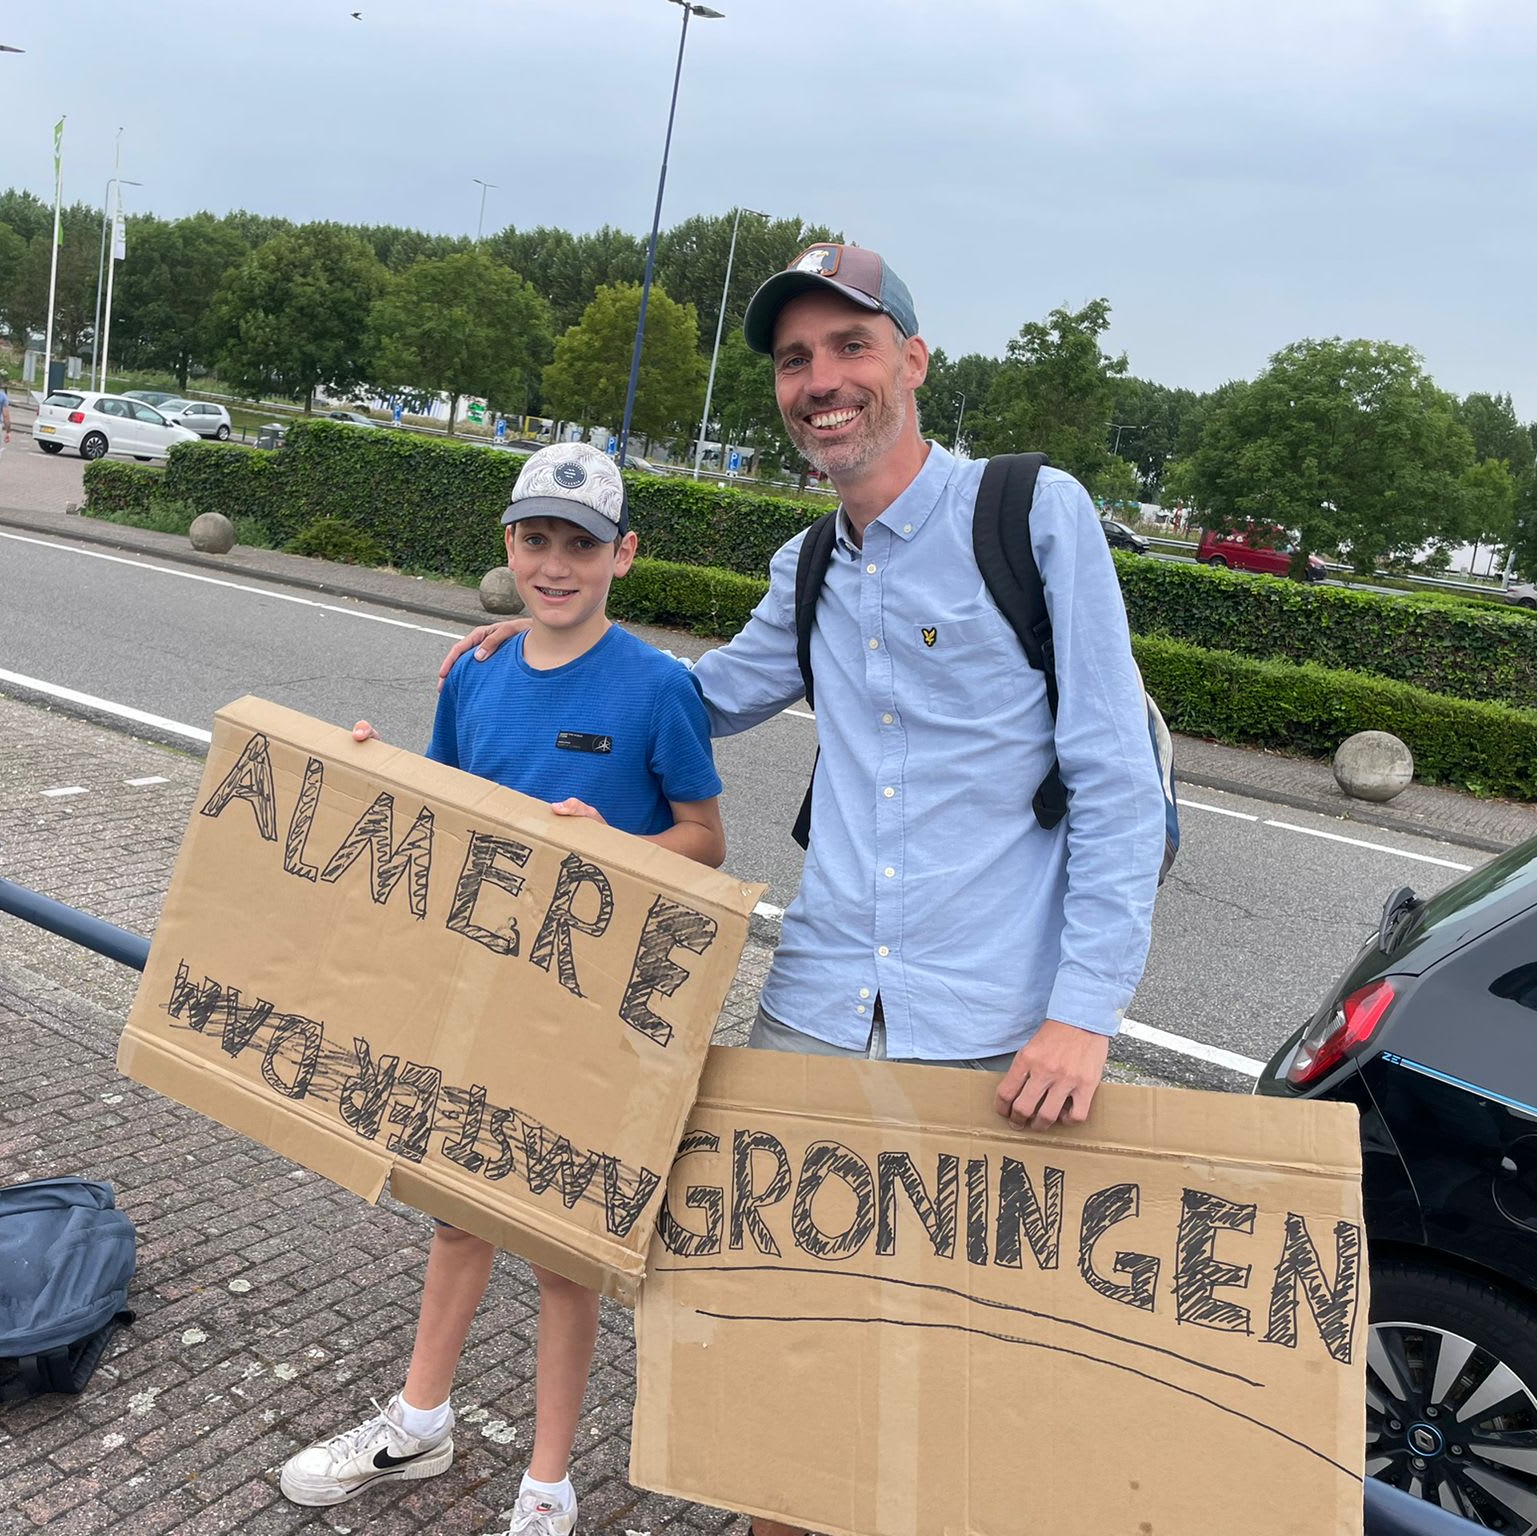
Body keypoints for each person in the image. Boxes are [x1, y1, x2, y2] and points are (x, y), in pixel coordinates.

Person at [448, 248, 1164, 1532]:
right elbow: (697, 702)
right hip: (819, 1001)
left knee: (947, 1349)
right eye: (793, 360)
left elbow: (1116, 780)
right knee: (785, 1327)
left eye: (849, 347)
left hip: (992, 1023)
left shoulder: (1029, 513)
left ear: (911, 363)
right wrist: (554, 647)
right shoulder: (810, 566)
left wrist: (1085, 1010)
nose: (820, 381)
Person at [279, 441, 726, 1536]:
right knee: (455, 1215)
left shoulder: (661, 688)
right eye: (536, 540)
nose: (555, 564)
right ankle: (418, 1421)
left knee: (562, 1250)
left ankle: (548, 1482)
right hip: (477, 988)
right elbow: (442, 808)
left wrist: (618, 843)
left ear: (623, 555)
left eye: (580, 544)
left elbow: (707, 841)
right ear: (507, 547)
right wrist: (373, 773)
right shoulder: (472, 670)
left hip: (592, 1009)